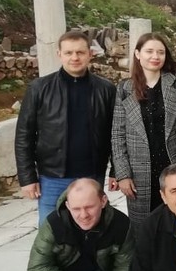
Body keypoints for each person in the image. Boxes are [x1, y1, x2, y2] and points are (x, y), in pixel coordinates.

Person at [15, 31, 116, 224]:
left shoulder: (106, 89)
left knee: (91, 230)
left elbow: (116, 134)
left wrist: (116, 172)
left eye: (80, 52)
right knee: (51, 233)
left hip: (92, 174)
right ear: (59, 54)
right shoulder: (39, 88)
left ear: (90, 54)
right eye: (69, 53)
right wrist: (27, 178)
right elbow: (24, 135)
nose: (75, 57)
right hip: (52, 177)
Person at [112, 33, 176, 230]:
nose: (155, 56)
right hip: (139, 172)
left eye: (160, 52)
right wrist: (123, 174)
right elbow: (117, 134)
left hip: (175, 166)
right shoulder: (125, 88)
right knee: (144, 228)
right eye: (149, 51)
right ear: (137, 54)